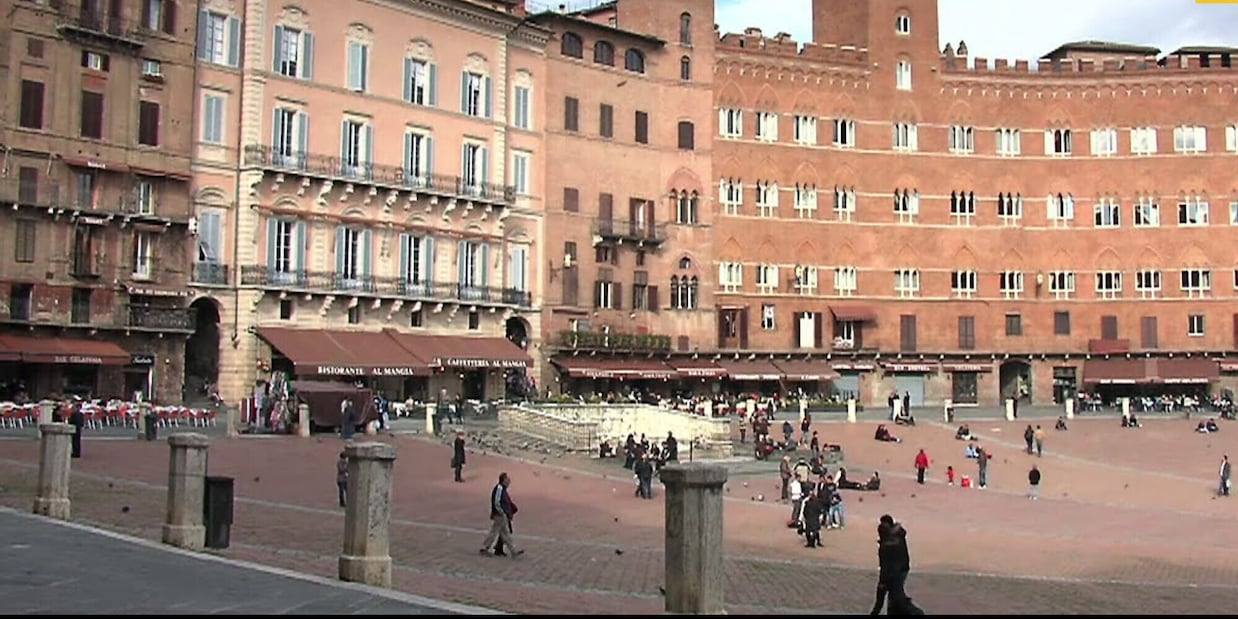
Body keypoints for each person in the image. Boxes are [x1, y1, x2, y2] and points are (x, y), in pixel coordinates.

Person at [870, 514, 915, 615]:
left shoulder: (886, 546)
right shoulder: (899, 536)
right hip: (902, 568)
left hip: (893, 573)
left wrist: (882, 582)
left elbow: (885, 566)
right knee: (895, 596)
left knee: (887, 599)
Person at [480, 472, 523, 558]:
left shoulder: (502, 489)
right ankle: (486, 548)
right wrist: (502, 512)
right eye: (507, 479)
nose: (509, 481)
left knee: (505, 533)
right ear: (503, 480)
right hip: (499, 515)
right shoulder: (499, 489)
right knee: (496, 532)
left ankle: (513, 551)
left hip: (502, 515)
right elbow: (497, 502)